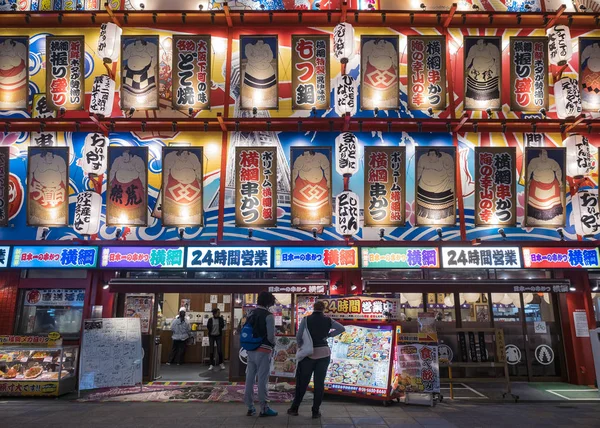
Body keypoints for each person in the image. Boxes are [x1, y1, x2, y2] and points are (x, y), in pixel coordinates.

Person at [287, 301, 345, 419]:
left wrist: (301, 345)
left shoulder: (306, 319)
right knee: (319, 384)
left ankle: (294, 408)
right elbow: (341, 328)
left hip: (309, 354)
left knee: (302, 383)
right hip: (324, 354)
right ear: (323, 309)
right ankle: (315, 411)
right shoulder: (328, 320)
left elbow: (299, 336)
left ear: (313, 308)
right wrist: (328, 336)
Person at [244, 292, 277, 417]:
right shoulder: (269, 316)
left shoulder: (250, 313)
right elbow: (270, 336)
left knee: (249, 378)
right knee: (262, 379)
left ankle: (250, 407)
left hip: (250, 349)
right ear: (269, 303)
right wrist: (274, 344)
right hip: (263, 350)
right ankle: (264, 408)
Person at [526, 149, 564, 224]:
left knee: (556, 186)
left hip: (551, 183)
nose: (545, 156)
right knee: (532, 193)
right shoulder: (534, 161)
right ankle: (534, 215)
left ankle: (555, 213)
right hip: (537, 182)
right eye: (543, 154)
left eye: (546, 154)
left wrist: (559, 180)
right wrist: (527, 181)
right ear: (539, 155)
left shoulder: (551, 161)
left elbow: (558, 170)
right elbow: (529, 171)